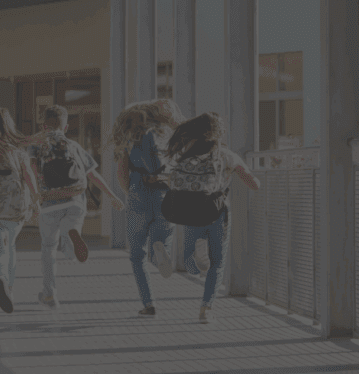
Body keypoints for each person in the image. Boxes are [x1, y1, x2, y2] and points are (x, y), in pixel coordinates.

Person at [164, 112, 260, 323]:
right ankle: (206, 308)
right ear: (220, 133)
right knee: (217, 263)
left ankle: (196, 259)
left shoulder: (185, 154)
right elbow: (253, 183)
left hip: (190, 213)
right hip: (216, 212)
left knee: (189, 260)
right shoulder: (226, 155)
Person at [28, 105, 124, 310]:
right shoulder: (73, 145)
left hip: (49, 202)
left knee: (48, 248)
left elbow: (32, 170)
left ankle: (49, 294)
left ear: (44, 125)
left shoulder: (36, 145)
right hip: (75, 200)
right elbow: (92, 175)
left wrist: (33, 198)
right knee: (69, 243)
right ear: (66, 126)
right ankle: (71, 239)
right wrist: (112, 196)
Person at [111, 99, 184, 318]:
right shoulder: (167, 136)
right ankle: (161, 252)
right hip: (164, 193)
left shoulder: (128, 139)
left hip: (138, 195)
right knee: (162, 241)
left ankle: (149, 302)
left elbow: (122, 173)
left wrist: (129, 192)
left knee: (136, 255)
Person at [0, 107, 42, 314]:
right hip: (16, 211)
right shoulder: (19, 153)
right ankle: (9, 289)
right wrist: (36, 201)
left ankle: (0, 278)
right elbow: (29, 176)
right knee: (10, 247)